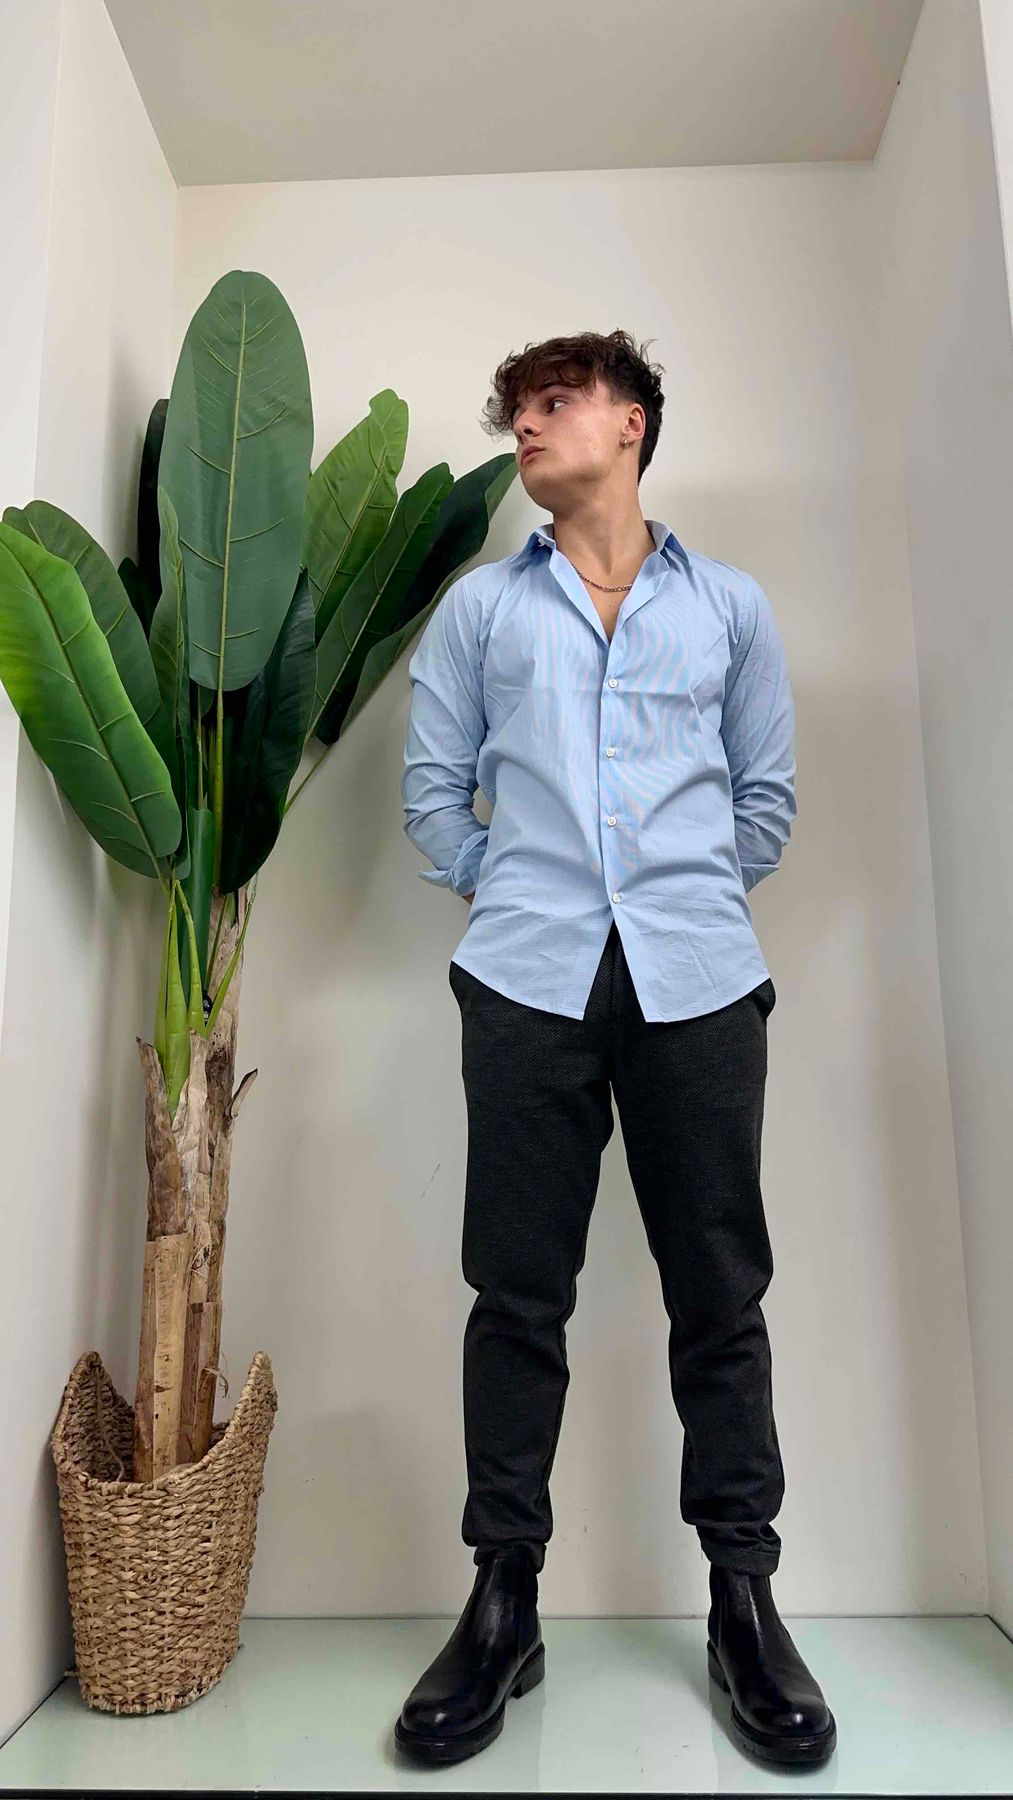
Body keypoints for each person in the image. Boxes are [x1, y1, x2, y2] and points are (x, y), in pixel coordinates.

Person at [394, 329, 835, 1770]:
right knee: (515, 1294)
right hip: (525, 987)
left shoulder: (729, 608)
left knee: (721, 1294)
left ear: (630, 423)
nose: (523, 427)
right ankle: (503, 1601)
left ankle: (742, 1601)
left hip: (697, 986)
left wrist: (678, 903)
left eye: (553, 402)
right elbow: (431, 797)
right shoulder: (482, 612)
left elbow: (763, 802)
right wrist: (527, 894)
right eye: (514, 412)